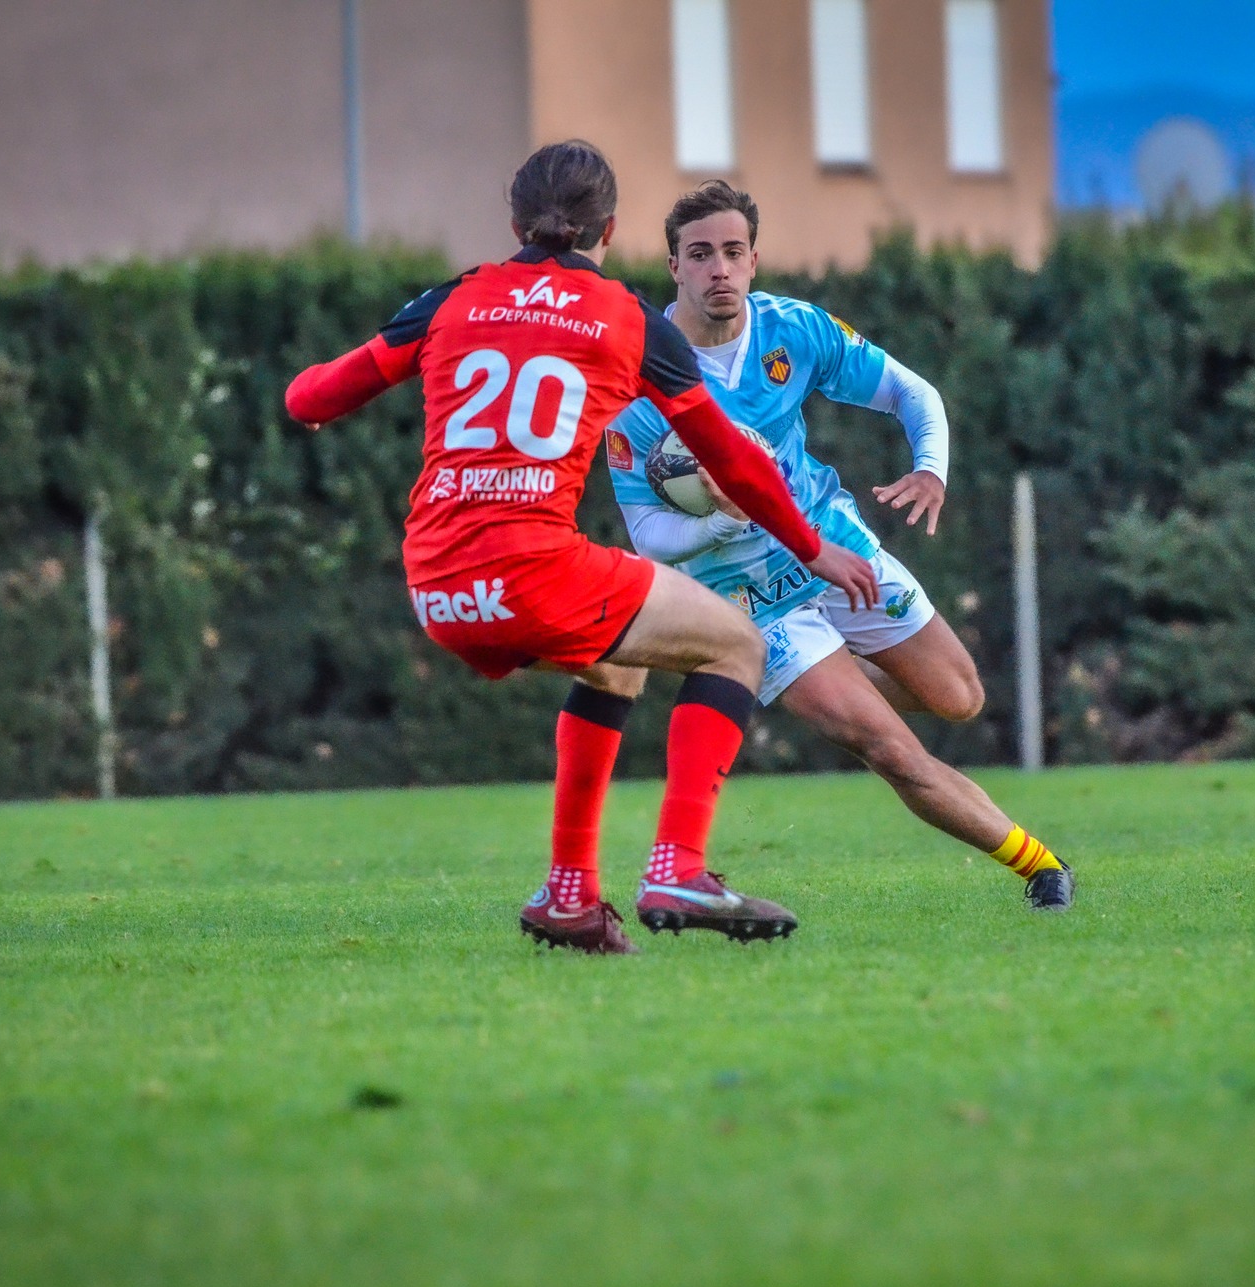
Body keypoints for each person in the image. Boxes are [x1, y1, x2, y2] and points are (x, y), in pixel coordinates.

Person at [284, 143, 879, 955]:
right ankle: (678, 867)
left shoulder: (454, 299)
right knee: (736, 644)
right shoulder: (629, 320)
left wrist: (314, 401)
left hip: (439, 586)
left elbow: (310, 396)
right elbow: (736, 461)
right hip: (532, 573)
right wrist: (811, 548)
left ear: (515, 221)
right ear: (611, 229)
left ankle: (571, 894)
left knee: (617, 661)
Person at [602, 181, 1073, 910]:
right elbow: (652, 540)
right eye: (700, 255)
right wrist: (724, 521)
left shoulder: (796, 330)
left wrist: (929, 468)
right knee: (893, 753)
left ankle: (842, 677)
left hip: (836, 549)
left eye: (732, 252)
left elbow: (914, 395)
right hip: (752, 602)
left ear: (754, 260)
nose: (718, 269)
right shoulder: (634, 382)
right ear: (675, 267)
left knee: (957, 698)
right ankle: (1043, 867)